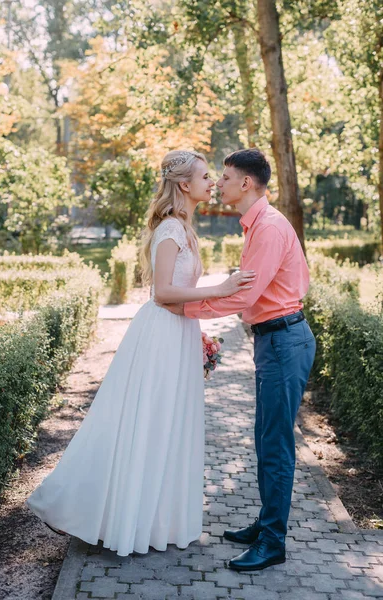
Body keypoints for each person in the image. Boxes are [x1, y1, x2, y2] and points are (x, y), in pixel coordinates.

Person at [26, 150, 255, 557]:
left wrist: (199, 330)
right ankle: (96, 510)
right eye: (205, 177)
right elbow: (163, 293)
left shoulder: (185, 228)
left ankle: (150, 519)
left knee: (165, 426)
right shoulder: (170, 229)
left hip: (180, 333)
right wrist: (220, 289)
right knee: (144, 423)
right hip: (161, 336)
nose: (212, 183)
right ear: (185, 185)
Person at [160, 148, 316, 571]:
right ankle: (266, 524)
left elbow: (244, 297)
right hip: (275, 340)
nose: (218, 184)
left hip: (284, 341)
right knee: (266, 440)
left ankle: (273, 543)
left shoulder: (267, 227)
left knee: (276, 446)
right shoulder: (258, 224)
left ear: (246, 183)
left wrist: (185, 311)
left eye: (225, 177)